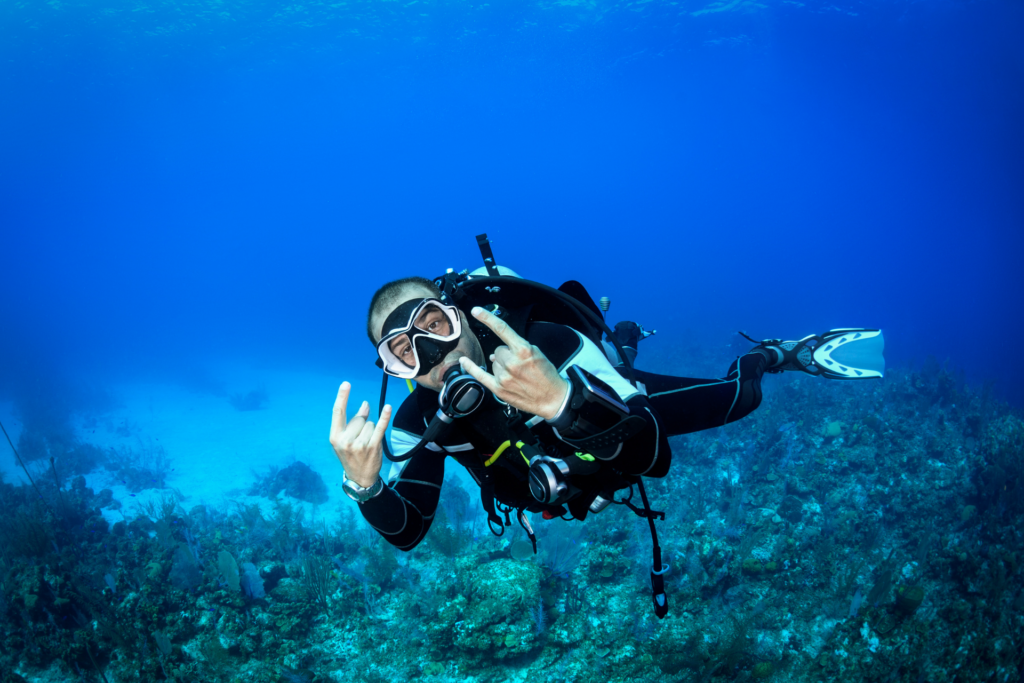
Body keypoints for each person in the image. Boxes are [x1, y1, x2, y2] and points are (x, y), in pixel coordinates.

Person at [329, 251, 884, 616]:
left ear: (457, 313)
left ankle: (776, 354)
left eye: (432, 325)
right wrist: (367, 487)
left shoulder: (551, 344)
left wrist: (562, 402)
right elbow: (407, 533)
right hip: (559, 484)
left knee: (739, 399)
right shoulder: (416, 426)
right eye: (402, 351)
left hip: (609, 408)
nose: (429, 353)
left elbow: (652, 454)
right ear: (393, 372)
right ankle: (626, 338)